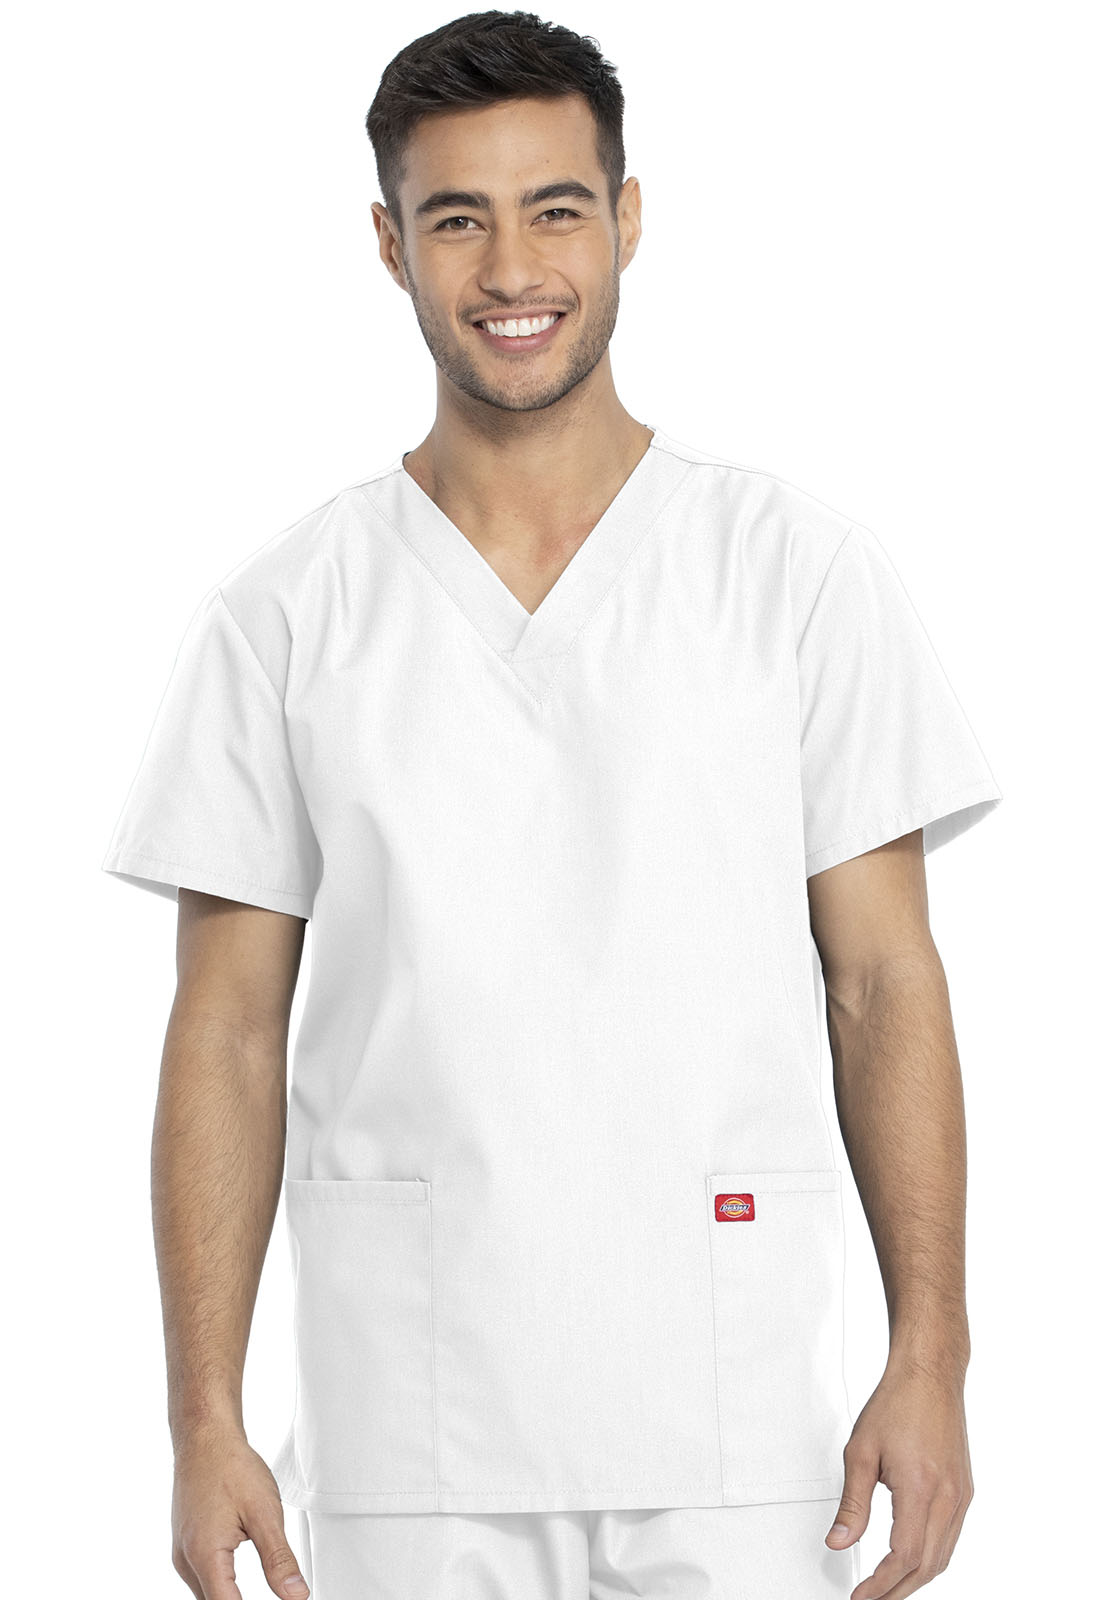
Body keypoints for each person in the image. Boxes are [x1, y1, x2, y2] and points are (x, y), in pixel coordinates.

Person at [100, 10, 1004, 1599]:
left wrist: (931, 1358)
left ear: (628, 218)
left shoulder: (792, 580)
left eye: (556, 209)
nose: (512, 269)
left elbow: (883, 983)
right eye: (458, 219)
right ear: (390, 244)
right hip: (409, 1430)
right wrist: (202, 1419)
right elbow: (226, 1035)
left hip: (732, 1421)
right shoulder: (287, 618)